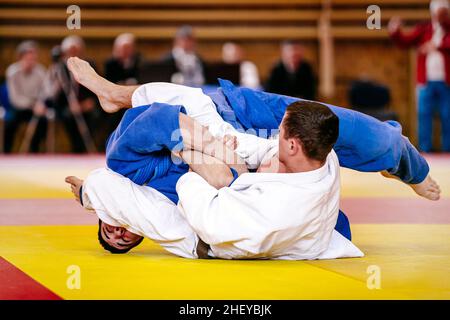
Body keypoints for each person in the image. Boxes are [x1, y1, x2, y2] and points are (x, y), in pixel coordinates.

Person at [65, 57, 440, 256]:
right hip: (262, 143)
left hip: (237, 111)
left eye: (107, 229)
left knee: (374, 139)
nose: (116, 233)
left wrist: (207, 150)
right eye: (120, 240)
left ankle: (113, 93)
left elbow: (157, 119)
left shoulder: (123, 165)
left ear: (101, 213)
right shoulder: (172, 215)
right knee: (360, 140)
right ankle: (393, 158)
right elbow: (325, 226)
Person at [389, 0, 450, 152]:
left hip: (446, 82)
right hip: (426, 82)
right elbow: (405, 41)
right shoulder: (424, 29)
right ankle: (425, 150)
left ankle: (447, 150)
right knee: (424, 116)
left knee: (447, 116)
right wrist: (396, 31)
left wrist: (437, 46)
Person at [41, 36, 98, 153]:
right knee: (67, 116)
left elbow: (98, 87)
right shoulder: (58, 68)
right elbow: (50, 95)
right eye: (69, 51)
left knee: (96, 115)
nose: (72, 54)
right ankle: (76, 150)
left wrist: (88, 103)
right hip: (66, 106)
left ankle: (87, 149)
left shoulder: (89, 65)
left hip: (86, 105)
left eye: (75, 51)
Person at [5, 40, 47, 153]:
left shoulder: (41, 72)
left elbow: (45, 93)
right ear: (20, 58)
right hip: (18, 108)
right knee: (10, 123)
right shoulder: (12, 72)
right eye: (28, 59)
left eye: (33, 59)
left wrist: (40, 104)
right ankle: (6, 152)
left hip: (36, 108)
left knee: (43, 121)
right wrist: (32, 104)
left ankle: (36, 152)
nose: (31, 62)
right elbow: (14, 98)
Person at [103, 33, 142, 148]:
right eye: (123, 48)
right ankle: (113, 144)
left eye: (128, 48)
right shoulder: (110, 64)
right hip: (116, 101)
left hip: (134, 99)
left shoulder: (140, 61)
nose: (125, 51)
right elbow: (108, 84)